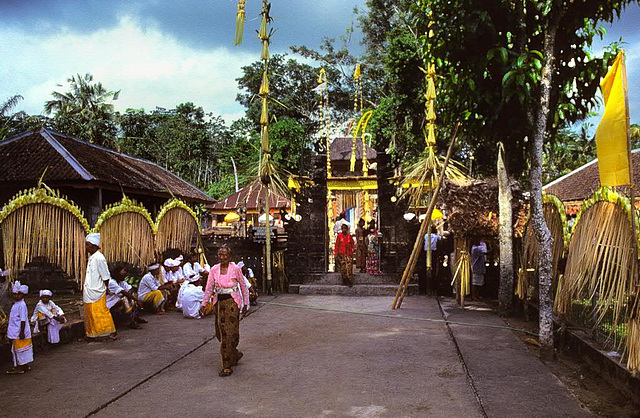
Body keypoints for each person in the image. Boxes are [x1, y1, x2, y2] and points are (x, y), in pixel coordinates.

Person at [201, 245, 249, 377]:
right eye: (220, 255)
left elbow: (243, 286)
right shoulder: (214, 270)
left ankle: (226, 365)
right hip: (219, 304)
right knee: (220, 333)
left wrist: (246, 303)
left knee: (230, 333)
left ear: (230, 256)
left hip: (232, 303)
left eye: (225, 255)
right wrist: (204, 303)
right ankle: (233, 353)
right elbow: (209, 287)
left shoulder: (236, 269)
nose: (222, 257)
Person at [83, 233, 117, 341]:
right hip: (89, 290)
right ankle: (93, 333)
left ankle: (109, 332)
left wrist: (106, 289)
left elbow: (106, 276)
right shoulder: (92, 257)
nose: (86, 247)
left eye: (87, 245)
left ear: (93, 246)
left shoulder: (99, 258)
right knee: (90, 313)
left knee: (101, 311)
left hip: (97, 290)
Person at [6, 281, 33, 374]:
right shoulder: (16, 304)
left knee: (19, 350)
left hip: (19, 331)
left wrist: (21, 332)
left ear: (23, 295)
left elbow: (23, 320)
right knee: (17, 349)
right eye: (15, 294)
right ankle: (24, 365)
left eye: (19, 294)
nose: (17, 296)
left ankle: (19, 366)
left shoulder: (22, 305)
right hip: (14, 331)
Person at [107, 265, 143, 329]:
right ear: (117, 274)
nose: (125, 275)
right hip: (110, 303)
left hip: (117, 300)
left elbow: (130, 289)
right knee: (125, 299)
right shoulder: (112, 282)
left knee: (132, 297)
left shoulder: (122, 282)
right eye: (123, 274)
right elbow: (124, 292)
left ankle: (135, 317)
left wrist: (132, 297)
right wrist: (136, 300)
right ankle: (132, 322)